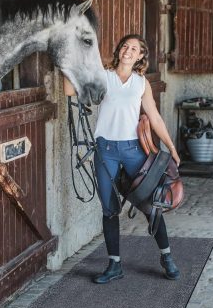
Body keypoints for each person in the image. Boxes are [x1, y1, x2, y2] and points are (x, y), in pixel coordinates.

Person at [64, 34, 181, 284]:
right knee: (109, 210)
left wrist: (171, 147)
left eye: (134, 49)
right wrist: (70, 59)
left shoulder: (141, 83)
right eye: (125, 47)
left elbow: (156, 118)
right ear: (119, 51)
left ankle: (167, 257)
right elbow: (68, 89)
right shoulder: (103, 77)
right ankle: (114, 264)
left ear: (140, 56)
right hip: (105, 150)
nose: (128, 51)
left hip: (133, 151)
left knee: (151, 206)